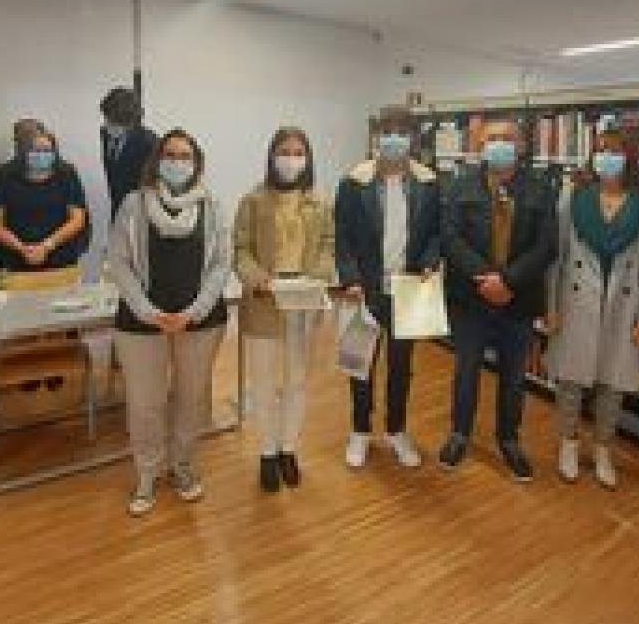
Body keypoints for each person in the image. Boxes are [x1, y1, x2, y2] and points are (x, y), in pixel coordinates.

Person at [108, 128, 229, 516]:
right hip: (142, 320)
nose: (178, 162)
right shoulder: (133, 204)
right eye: (171, 155)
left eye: (186, 156)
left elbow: (220, 263)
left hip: (200, 319)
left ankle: (182, 466)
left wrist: (195, 310)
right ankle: (147, 473)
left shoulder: (211, 205)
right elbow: (120, 262)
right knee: (145, 404)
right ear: (158, 160)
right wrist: (147, 309)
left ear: (196, 164)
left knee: (191, 399)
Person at [438, 118, 557, 482]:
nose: (500, 144)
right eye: (492, 139)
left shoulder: (541, 189)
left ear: (521, 145)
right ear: (479, 145)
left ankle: (508, 439)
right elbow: (450, 238)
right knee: (466, 371)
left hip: (517, 301)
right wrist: (484, 279)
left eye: (508, 138)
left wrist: (507, 281)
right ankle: (459, 434)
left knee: (513, 377)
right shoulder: (460, 186)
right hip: (469, 299)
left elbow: (547, 245)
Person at [546, 131, 639, 489]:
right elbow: (557, 255)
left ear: (628, 157)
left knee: (612, 387)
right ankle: (568, 444)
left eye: (612, 151)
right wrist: (550, 307)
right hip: (576, 300)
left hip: (623, 306)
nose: (604, 158)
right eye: (598, 152)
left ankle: (602, 450)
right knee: (570, 382)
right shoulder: (575, 195)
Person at [335, 118, 440, 469]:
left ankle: (396, 430)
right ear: (376, 139)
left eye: (402, 133)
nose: (394, 139)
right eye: (387, 133)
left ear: (413, 139)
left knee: (401, 366)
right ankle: (360, 430)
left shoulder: (429, 182)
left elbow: (436, 233)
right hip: (363, 289)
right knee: (359, 363)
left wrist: (429, 261)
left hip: (409, 288)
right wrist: (349, 277)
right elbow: (342, 235)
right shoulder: (354, 182)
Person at [234, 127, 334, 492]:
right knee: (263, 383)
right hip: (265, 298)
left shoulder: (320, 202)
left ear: (307, 159)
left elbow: (328, 244)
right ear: (272, 156)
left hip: (303, 300)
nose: (291, 159)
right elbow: (241, 248)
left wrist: (319, 273)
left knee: (295, 381)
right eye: (284, 151)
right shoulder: (253, 200)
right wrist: (255, 277)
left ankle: (289, 449)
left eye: (298, 152)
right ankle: (267, 450)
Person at [0, 128, 90, 271]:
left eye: (47, 151)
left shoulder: (66, 173)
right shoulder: (5, 175)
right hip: (15, 256)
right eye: (36, 150)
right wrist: (22, 248)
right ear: (24, 152)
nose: (42, 155)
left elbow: (78, 218)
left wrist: (47, 246)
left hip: (60, 255)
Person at [100, 87, 158, 216]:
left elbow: (152, 185)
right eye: (108, 119)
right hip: (117, 207)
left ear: (131, 121)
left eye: (117, 122)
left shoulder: (149, 142)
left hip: (142, 211)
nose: (110, 124)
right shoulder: (105, 134)